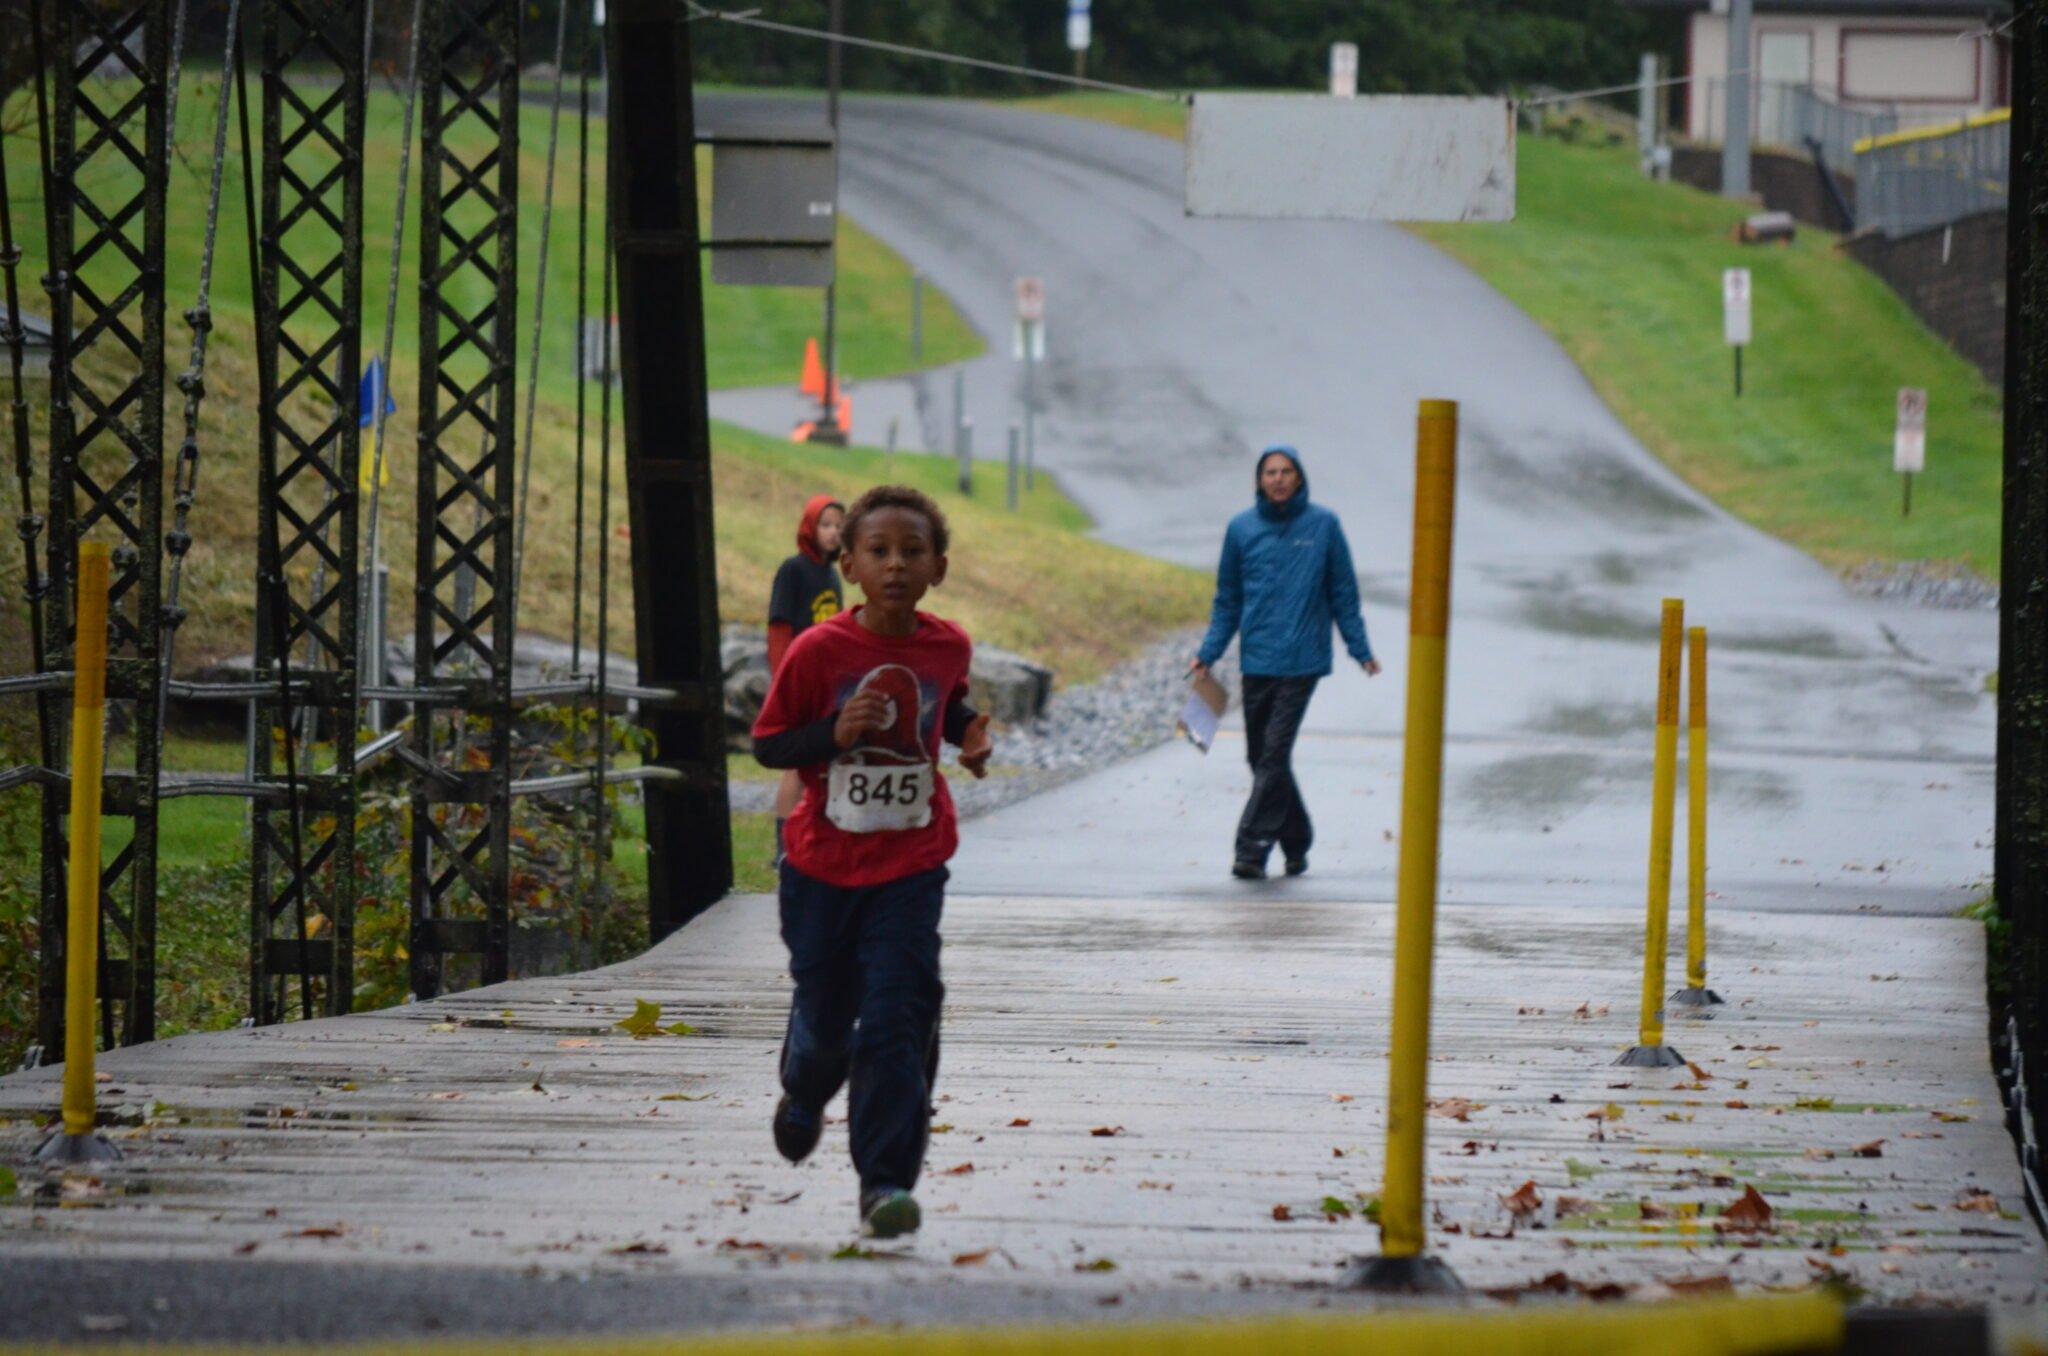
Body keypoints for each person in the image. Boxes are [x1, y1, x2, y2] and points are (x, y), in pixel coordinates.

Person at [751, 485, 994, 1239]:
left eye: (912, 552)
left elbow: (944, 702)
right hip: (821, 867)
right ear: (849, 565)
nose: (896, 565)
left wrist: (969, 732)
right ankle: (804, 1086)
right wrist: (834, 732)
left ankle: (885, 1181)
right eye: (879, 552)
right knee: (827, 1018)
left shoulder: (948, 643)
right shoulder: (820, 652)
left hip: (912, 861)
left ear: (938, 568)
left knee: (898, 1011)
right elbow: (769, 742)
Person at [1191, 445, 1380, 881]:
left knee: (1274, 754)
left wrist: (1360, 649)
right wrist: (1209, 652)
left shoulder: (1324, 526)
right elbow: (1228, 600)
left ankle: (1251, 848)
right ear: (1259, 480)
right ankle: (1296, 839)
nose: (1277, 478)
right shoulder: (1241, 529)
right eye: (1270, 472)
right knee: (1259, 757)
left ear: (1299, 478)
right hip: (1257, 659)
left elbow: (1343, 594)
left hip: (1303, 659)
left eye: (1286, 471)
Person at [767, 495, 846, 865]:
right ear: (809, 528)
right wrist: (782, 679)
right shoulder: (793, 570)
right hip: (797, 680)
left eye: (838, 526)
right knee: (795, 765)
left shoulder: (832, 575)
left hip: (827, 684)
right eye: (826, 525)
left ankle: (812, 838)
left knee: (823, 763)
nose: (833, 533)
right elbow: (780, 627)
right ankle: (783, 847)